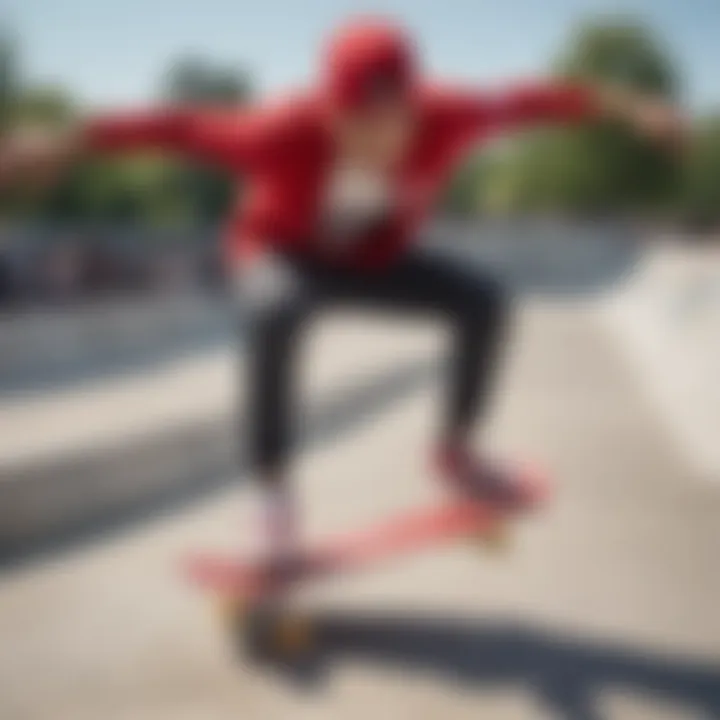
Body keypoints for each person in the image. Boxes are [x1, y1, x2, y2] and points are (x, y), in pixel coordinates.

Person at [0, 17, 683, 567]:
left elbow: (544, 99)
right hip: (280, 253)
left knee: (483, 300)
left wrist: (635, 109)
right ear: (330, 112)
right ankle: (273, 498)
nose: (378, 146)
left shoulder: (452, 114)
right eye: (358, 129)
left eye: (395, 128)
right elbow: (173, 126)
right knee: (279, 309)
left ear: (415, 106)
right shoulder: (280, 129)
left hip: (373, 260)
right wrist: (62, 144)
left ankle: (456, 451)